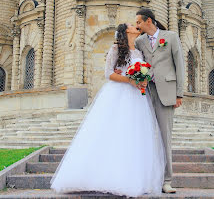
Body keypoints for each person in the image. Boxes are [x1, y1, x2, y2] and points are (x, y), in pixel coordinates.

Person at [50, 23, 166, 197]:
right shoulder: (116, 48)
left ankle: (131, 177)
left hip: (138, 98)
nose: (137, 26)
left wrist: (143, 80)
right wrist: (130, 81)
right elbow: (108, 73)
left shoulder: (140, 50)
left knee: (134, 135)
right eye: (134, 25)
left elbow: (146, 71)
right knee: (113, 132)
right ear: (126, 31)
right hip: (119, 94)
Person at [135, 8, 185, 194]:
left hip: (167, 93)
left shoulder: (170, 37)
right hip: (146, 93)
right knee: (146, 137)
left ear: (149, 21)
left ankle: (167, 180)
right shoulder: (139, 42)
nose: (137, 25)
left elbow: (179, 65)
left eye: (139, 22)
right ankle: (147, 177)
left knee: (165, 138)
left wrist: (179, 94)